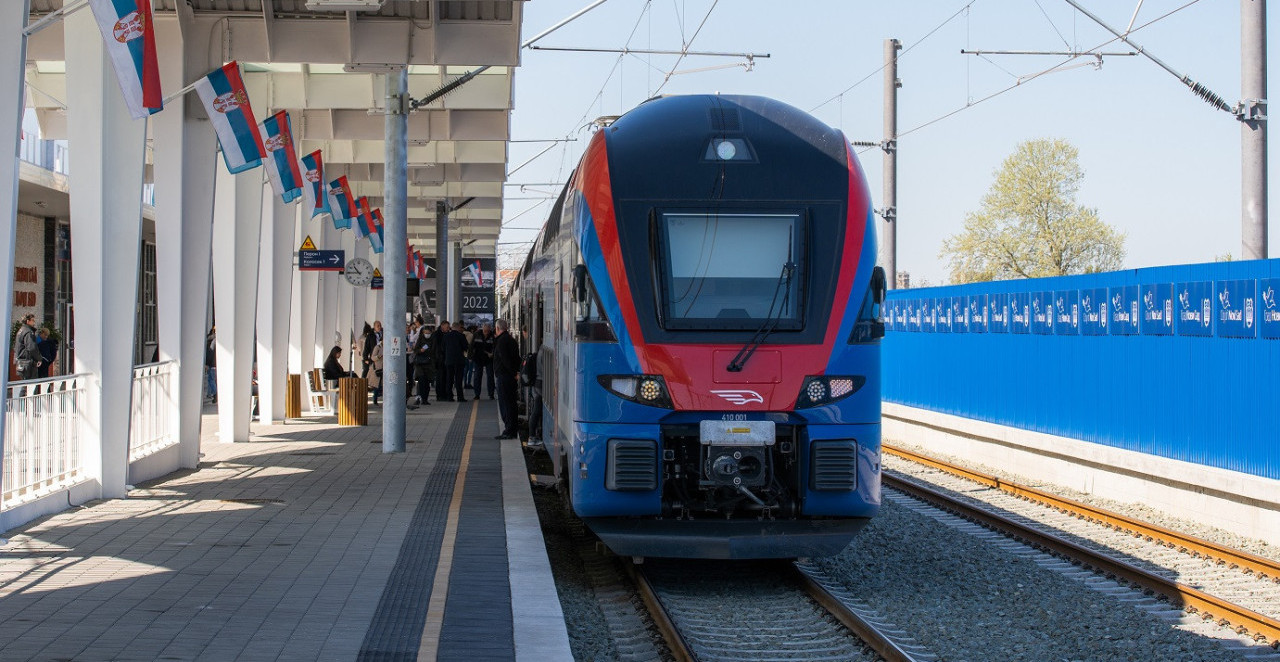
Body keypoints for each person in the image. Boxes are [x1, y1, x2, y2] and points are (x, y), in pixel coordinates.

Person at [492, 318, 521, 439]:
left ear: (497, 328)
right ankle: (511, 429)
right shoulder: (511, 340)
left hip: (505, 377)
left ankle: (509, 430)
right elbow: (516, 358)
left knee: (506, 404)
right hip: (509, 377)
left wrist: (514, 373)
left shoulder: (501, 341)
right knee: (511, 403)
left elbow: (505, 360)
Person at [441, 321, 469, 402]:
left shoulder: (446, 336)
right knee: (458, 379)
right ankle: (460, 397)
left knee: (449, 379)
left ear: (452, 327)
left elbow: (442, 348)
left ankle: (450, 397)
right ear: (458, 328)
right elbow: (465, 347)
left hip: (449, 360)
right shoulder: (461, 336)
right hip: (459, 361)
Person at [470, 323, 495, 399]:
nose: (486, 332)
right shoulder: (477, 334)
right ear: (482, 329)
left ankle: (491, 394)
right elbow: (471, 346)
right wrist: (470, 357)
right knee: (477, 376)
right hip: (478, 358)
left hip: (489, 359)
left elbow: (496, 347)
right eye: (485, 330)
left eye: (487, 331)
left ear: (489, 330)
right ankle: (477, 394)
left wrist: (492, 354)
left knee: (490, 376)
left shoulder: (492, 336)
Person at [13, 314, 41, 381]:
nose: (34, 322)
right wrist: (39, 358)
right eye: (33, 320)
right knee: (30, 387)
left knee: (25, 385)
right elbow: (31, 347)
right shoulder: (28, 332)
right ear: (28, 321)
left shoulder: (21, 331)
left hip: (21, 363)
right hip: (27, 363)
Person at [411, 324, 435, 405]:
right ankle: (419, 397)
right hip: (420, 363)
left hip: (429, 364)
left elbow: (435, 351)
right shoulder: (420, 339)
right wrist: (420, 350)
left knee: (427, 382)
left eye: (428, 333)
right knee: (421, 381)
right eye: (426, 333)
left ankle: (425, 399)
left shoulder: (433, 340)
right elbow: (415, 351)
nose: (427, 334)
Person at [370, 336, 384, 406]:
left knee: (383, 384)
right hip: (378, 368)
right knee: (377, 385)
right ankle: (375, 399)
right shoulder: (377, 347)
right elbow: (372, 357)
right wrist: (378, 357)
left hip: (385, 368)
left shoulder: (388, 346)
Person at [204, 326, 217, 403]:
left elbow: (210, 354)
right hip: (215, 365)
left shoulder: (212, 341)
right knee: (212, 380)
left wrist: (207, 364)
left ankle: (215, 393)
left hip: (212, 365)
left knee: (211, 380)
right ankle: (211, 393)